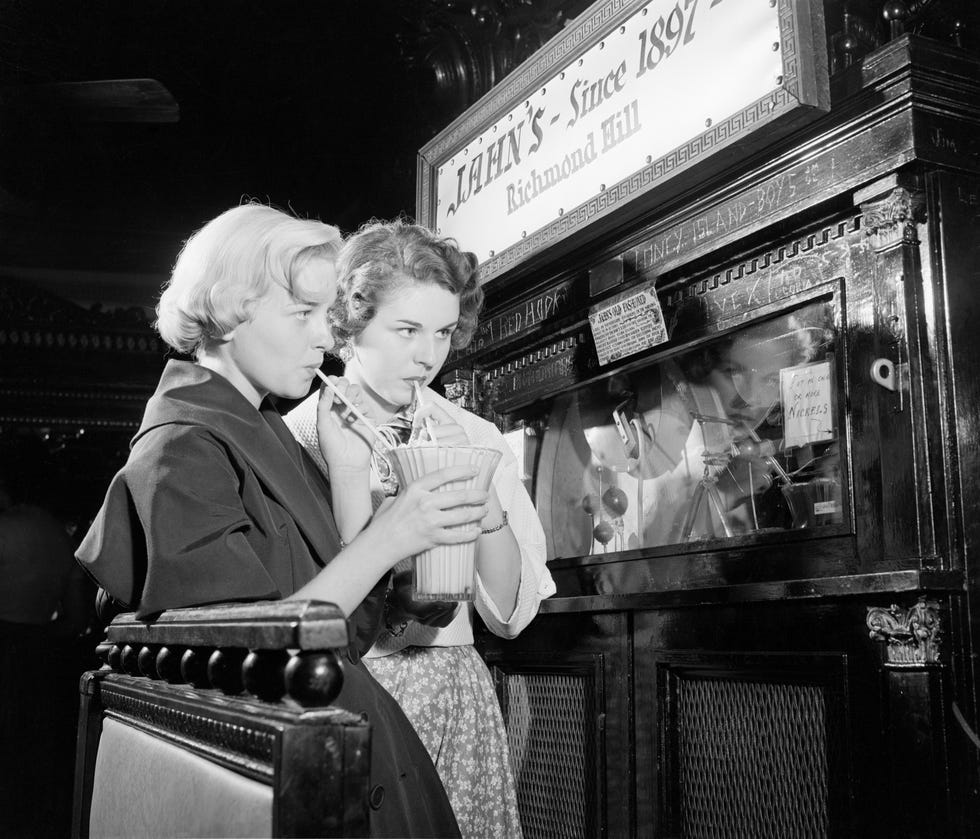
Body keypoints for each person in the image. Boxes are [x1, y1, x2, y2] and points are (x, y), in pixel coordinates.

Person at [75, 203, 496, 838]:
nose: (325, 339)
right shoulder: (181, 448)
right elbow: (253, 661)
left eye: (325, 317)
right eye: (301, 314)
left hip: (345, 748)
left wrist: (374, 504)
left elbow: (345, 626)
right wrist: (391, 535)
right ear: (224, 311)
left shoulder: (263, 428)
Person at [285, 219, 555, 839]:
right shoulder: (298, 438)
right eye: (405, 330)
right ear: (350, 325)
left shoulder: (474, 436)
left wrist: (482, 496)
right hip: (344, 693)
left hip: (453, 689)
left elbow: (510, 616)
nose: (428, 355)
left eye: (442, 332)